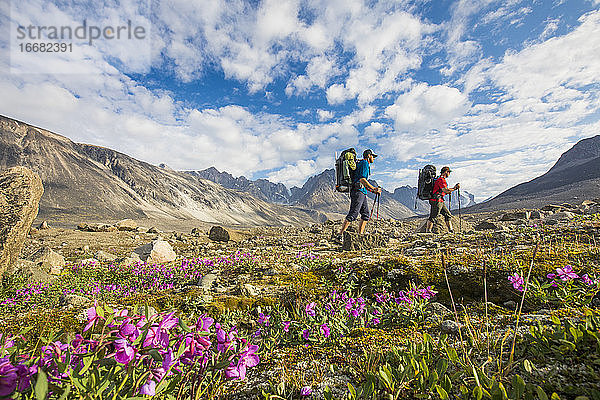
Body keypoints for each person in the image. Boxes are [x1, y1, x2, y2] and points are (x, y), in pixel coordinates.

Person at [339, 149, 382, 236]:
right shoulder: (365, 163)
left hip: (361, 191)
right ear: (369, 155)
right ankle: (340, 235)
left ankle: (360, 234)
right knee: (353, 213)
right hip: (358, 192)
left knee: (365, 214)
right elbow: (362, 179)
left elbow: (361, 181)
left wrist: (373, 190)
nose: (373, 158)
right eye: (373, 156)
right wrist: (374, 188)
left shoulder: (361, 164)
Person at [426, 166, 459, 233]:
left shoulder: (439, 179)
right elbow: (445, 190)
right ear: (446, 172)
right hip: (437, 201)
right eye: (449, 172)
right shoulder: (441, 180)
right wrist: (454, 188)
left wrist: (449, 191)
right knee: (433, 216)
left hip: (439, 200)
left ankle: (451, 230)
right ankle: (428, 231)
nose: (449, 174)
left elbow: (443, 190)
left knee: (447, 214)